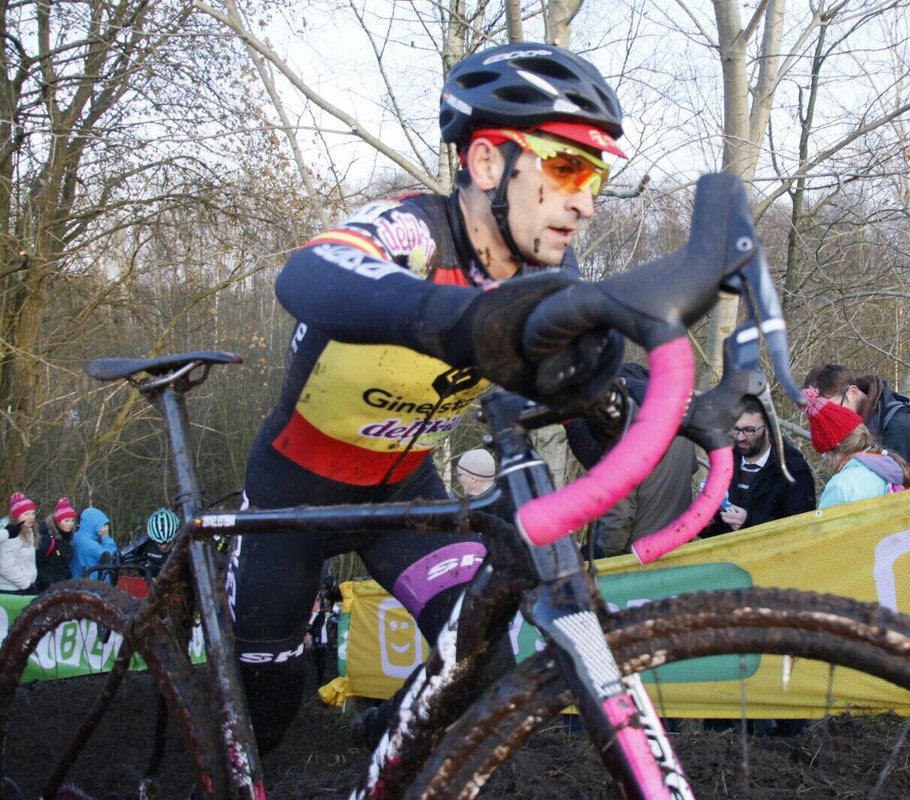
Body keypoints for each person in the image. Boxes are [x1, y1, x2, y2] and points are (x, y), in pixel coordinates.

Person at [229, 42, 628, 754]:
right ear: (486, 163)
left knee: (478, 654)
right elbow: (308, 273)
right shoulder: (418, 230)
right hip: (293, 501)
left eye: (595, 175)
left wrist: (619, 411)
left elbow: (575, 391)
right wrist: (456, 318)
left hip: (403, 500)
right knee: (267, 708)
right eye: (568, 167)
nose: (586, 201)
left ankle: (381, 740)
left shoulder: (547, 270)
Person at [564, 363, 697, 558]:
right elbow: (691, 468)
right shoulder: (680, 426)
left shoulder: (626, 442)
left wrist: (599, 554)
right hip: (679, 548)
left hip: (639, 558)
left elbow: (618, 518)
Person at [700, 396, 816, 537]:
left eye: (749, 430)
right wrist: (706, 525)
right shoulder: (724, 465)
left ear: (768, 428)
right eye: (735, 429)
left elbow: (801, 529)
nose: (740, 437)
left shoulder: (793, 469)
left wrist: (749, 521)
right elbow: (720, 529)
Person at [800, 365, 910, 486]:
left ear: (852, 392)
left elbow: (908, 487)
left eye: (832, 410)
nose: (828, 420)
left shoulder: (900, 424)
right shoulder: (858, 427)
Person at [800, 387, 910, 508]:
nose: (826, 460)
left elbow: (824, 520)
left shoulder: (840, 487)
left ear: (835, 448)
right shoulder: (894, 468)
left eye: (824, 454)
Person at [121, 507, 180, 579]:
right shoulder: (145, 542)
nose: (163, 546)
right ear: (152, 538)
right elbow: (122, 554)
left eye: (168, 543)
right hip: (152, 581)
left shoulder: (184, 544)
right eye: (158, 542)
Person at [0, 493, 39, 594]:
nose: (31, 517)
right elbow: (6, 567)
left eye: (33, 513)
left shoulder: (29, 531)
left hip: (22, 586)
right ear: (16, 516)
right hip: (11, 589)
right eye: (26, 514)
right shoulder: (12, 535)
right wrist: (26, 585)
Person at [35, 497, 76, 590]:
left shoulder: (67, 538)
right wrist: (50, 583)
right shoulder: (45, 539)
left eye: (72, 520)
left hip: (61, 586)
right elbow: (37, 565)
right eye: (66, 521)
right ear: (58, 521)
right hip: (45, 587)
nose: (70, 524)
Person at [70, 506, 117, 580]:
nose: (106, 527)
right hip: (93, 584)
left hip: (78, 581)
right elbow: (111, 558)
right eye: (103, 524)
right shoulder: (90, 544)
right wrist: (105, 536)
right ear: (95, 523)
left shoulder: (76, 537)